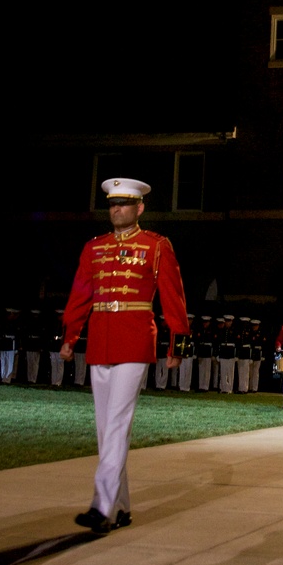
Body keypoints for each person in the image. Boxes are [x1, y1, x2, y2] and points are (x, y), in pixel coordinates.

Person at [61, 178, 189, 535]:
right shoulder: (94, 248)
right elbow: (80, 295)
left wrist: (176, 344)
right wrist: (70, 335)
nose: (116, 209)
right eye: (112, 204)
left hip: (135, 341)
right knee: (106, 430)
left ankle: (100, 506)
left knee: (116, 424)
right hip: (100, 341)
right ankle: (121, 508)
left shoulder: (156, 246)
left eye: (124, 204)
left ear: (139, 208)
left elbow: (173, 296)